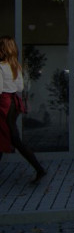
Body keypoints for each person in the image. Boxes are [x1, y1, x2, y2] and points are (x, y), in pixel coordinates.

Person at [0, 36, 46, 183]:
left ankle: (39, 169)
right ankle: (39, 169)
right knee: (10, 137)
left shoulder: (1, 66)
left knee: (10, 138)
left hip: (3, 104)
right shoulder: (16, 66)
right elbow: (20, 87)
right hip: (13, 103)